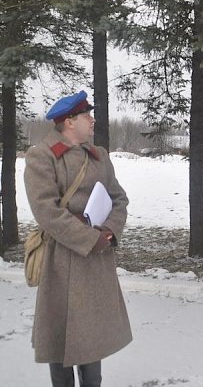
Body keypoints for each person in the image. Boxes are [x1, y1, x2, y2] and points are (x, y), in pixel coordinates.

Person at [24, 91, 131, 386]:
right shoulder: (41, 156)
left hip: (95, 261)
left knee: (91, 338)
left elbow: (119, 199)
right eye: (87, 116)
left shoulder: (98, 155)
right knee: (59, 339)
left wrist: (109, 231)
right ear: (69, 122)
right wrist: (88, 239)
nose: (92, 120)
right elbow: (46, 211)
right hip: (59, 260)